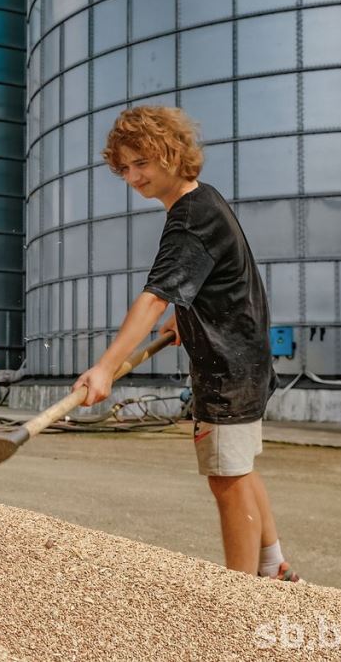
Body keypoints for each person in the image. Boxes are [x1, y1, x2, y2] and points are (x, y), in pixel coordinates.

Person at [73, 106, 298, 581]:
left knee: (226, 479)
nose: (134, 176)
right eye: (125, 168)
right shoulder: (204, 201)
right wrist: (186, 314)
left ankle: (239, 594)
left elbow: (153, 298)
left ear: (172, 153)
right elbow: (216, 276)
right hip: (244, 358)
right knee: (239, 469)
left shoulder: (188, 218)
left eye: (142, 163)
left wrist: (106, 367)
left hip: (227, 368)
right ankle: (272, 565)